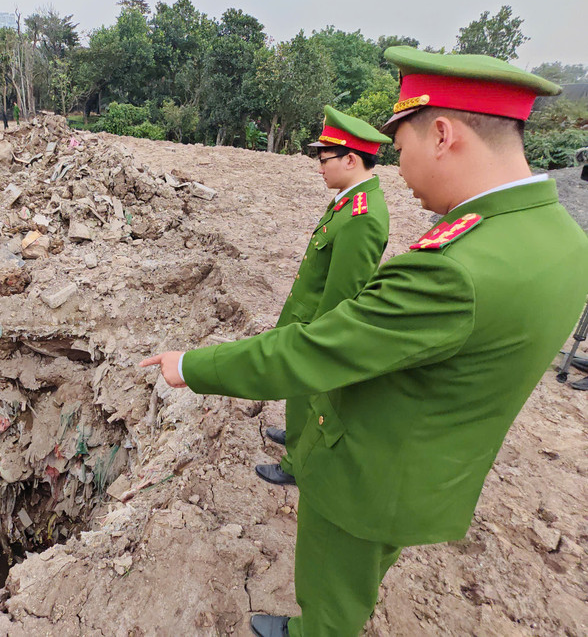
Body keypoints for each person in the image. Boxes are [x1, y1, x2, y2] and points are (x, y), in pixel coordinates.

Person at [140, 46, 588, 636]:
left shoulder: (457, 267)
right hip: (431, 461)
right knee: (357, 577)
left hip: (370, 470)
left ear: (443, 135)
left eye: (400, 150)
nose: (400, 171)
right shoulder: (558, 236)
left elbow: (319, 348)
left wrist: (192, 365)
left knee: (332, 591)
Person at [257, 106, 392, 487]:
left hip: (318, 322)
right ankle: (296, 432)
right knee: (299, 391)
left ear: (350, 160)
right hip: (306, 314)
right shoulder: (348, 201)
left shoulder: (363, 217)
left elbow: (343, 295)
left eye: (324, 159)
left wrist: (317, 340)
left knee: (313, 391)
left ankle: (296, 464)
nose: (319, 168)